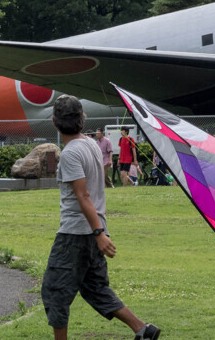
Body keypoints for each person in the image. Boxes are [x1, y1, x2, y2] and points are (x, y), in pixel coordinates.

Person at [41, 95, 161, 340]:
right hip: (93, 231)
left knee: (55, 291)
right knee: (95, 288)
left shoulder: (71, 153)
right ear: (82, 119)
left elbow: (83, 195)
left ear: (54, 122)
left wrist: (98, 234)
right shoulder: (90, 145)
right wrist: (99, 232)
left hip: (76, 233)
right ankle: (142, 329)